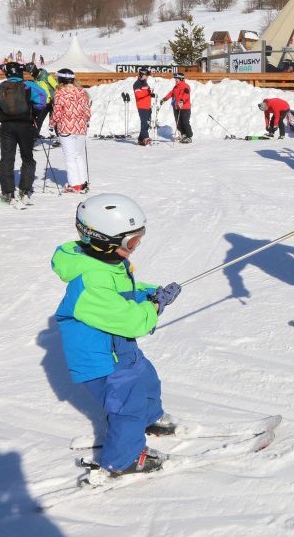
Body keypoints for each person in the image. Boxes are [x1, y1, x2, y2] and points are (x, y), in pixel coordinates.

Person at [51, 194, 182, 476]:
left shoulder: (106, 264)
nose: (137, 246)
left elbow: (122, 293)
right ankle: (124, 459)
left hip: (118, 350)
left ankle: (149, 419)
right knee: (126, 406)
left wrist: (149, 292)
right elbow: (132, 322)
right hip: (102, 362)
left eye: (139, 237)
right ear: (104, 242)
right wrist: (156, 305)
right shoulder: (90, 284)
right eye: (131, 242)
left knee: (147, 380)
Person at [0, 61, 48, 207]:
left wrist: (0, 113)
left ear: (7, 74)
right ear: (20, 73)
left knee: (6, 159)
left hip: (7, 127)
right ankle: (24, 190)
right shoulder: (29, 86)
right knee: (27, 158)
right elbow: (43, 100)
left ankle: (7, 192)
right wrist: (33, 110)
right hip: (26, 126)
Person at [50, 69, 92, 193]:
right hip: (81, 128)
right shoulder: (82, 92)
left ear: (61, 80)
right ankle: (83, 181)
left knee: (70, 157)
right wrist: (85, 121)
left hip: (66, 128)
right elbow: (87, 111)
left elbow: (57, 113)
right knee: (79, 155)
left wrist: (51, 124)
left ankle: (74, 184)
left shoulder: (60, 93)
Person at [24, 62, 58, 131]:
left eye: (31, 72)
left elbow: (57, 87)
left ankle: (60, 137)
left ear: (34, 69)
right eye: (29, 73)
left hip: (52, 102)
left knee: (55, 120)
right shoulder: (36, 79)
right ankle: (35, 136)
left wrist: (55, 98)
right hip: (43, 103)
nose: (30, 74)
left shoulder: (47, 77)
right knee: (39, 120)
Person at [162, 72, 192, 143]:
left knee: (185, 122)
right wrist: (165, 99)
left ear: (181, 79)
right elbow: (171, 93)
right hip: (177, 107)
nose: (175, 80)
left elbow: (186, 94)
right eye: (175, 79)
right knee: (178, 122)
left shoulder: (186, 86)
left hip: (185, 108)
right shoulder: (175, 87)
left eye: (177, 79)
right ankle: (183, 135)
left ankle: (189, 136)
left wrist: (182, 100)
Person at [133, 67, 155, 146]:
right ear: (142, 74)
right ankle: (146, 138)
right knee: (144, 122)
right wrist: (147, 92)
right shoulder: (137, 84)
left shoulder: (145, 83)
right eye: (146, 75)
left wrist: (150, 94)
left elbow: (146, 93)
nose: (147, 77)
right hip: (142, 106)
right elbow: (138, 95)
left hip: (147, 106)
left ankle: (140, 139)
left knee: (147, 123)